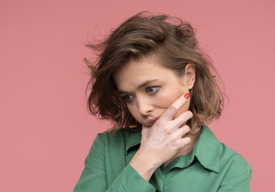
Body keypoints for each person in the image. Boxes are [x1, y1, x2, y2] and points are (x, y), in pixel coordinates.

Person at [74, 11, 252, 192]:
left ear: (188, 76)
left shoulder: (231, 169)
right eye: (129, 97)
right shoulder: (107, 149)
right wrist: (145, 160)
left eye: (151, 89)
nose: (142, 109)